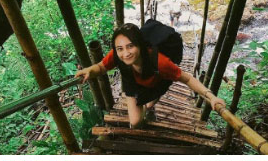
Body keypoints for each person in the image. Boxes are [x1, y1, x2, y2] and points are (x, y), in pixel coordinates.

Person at [75, 22, 225, 128]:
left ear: (140, 45)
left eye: (130, 46)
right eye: (120, 48)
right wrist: (90, 70)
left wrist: (211, 97)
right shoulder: (117, 54)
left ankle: (151, 105)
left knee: (149, 104)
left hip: (155, 81)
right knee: (135, 122)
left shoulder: (161, 63)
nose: (125, 53)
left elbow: (187, 79)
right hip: (131, 81)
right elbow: (101, 66)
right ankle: (146, 108)